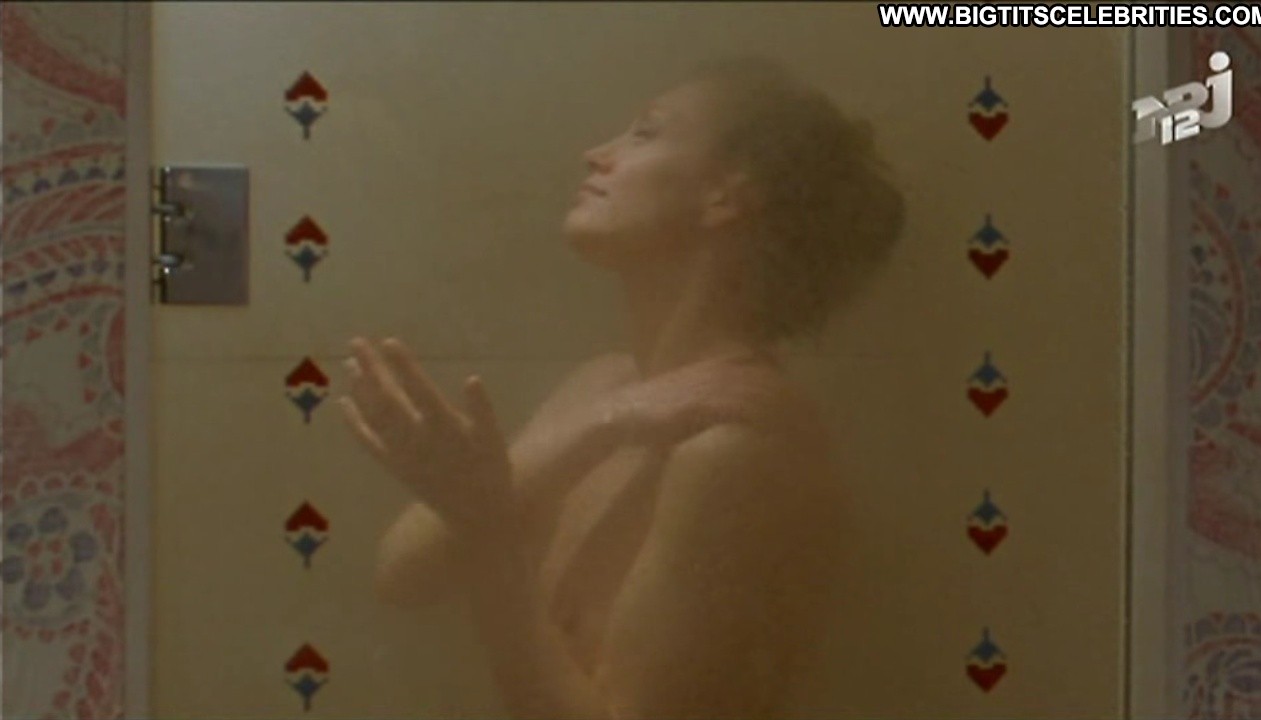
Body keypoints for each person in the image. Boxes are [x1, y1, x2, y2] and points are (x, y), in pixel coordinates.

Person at [338, 54, 905, 720]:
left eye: (646, 132)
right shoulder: (604, 387)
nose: (596, 154)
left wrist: (491, 538)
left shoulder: (734, 448)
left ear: (727, 196)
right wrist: (602, 424)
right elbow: (402, 575)